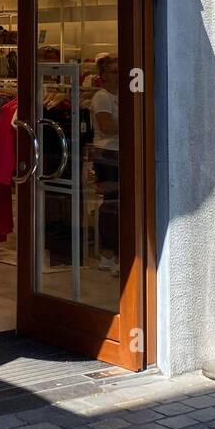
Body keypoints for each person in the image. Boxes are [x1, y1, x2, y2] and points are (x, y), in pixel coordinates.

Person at [89, 53, 120, 273]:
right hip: (107, 153)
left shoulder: (126, 94)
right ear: (103, 75)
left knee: (121, 203)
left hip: (121, 152)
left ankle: (118, 252)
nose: (118, 76)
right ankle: (108, 254)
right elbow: (107, 126)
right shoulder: (102, 97)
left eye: (120, 71)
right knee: (112, 202)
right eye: (113, 72)